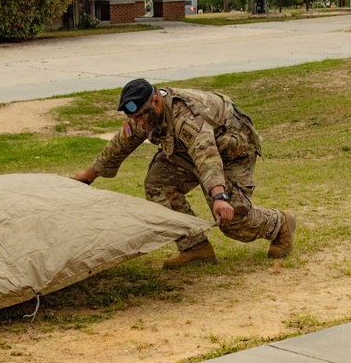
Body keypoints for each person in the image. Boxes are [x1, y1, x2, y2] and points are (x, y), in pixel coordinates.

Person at [74, 79, 295, 268]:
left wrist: (219, 197)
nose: (139, 122)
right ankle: (195, 247)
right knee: (157, 185)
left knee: (232, 221)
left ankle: (280, 224)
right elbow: (122, 141)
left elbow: (206, 155)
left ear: (156, 102)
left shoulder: (187, 117)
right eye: (135, 118)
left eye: (141, 116)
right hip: (188, 151)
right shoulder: (145, 114)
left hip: (229, 151)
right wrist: (90, 174)